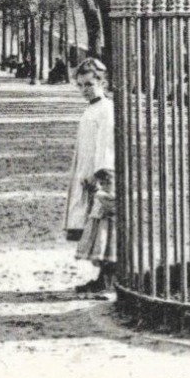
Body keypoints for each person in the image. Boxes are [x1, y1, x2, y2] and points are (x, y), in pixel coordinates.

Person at [64, 57, 116, 294]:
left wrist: (100, 173)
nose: (84, 90)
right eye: (81, 85)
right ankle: (102, 276)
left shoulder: (105, 109)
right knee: (94, 226)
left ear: (102, 83)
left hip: (100, 175)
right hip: (87, 173)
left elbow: (105, 142)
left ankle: (108, 278)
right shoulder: (92, 109)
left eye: (89, 85)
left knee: (104, 226)